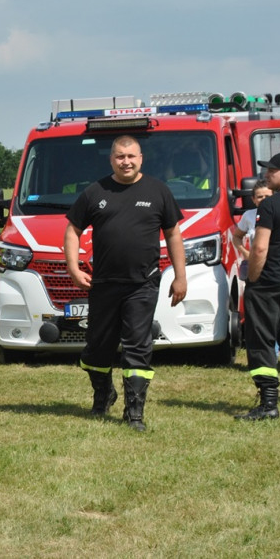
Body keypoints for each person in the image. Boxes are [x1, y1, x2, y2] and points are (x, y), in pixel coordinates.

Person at [64, 135, 186, 431]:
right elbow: (72, 230)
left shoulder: (158, 191)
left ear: (141, 158)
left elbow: (173, 235)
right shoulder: (95, 192)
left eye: (131, 156)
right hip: (103, 284)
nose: (126, 161)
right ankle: (103, 393)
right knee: (96, 348)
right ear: (112, 160)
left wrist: (181, 276)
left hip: (142, 286)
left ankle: (134, 412)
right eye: (120, 156)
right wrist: (72, 268)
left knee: (137, 347)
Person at [237, 153, 280, 420]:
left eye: (272, 171)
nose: (267, 176)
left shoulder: (270, 205)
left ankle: (268, 403)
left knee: (261, 340)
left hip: (271, 283)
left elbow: (259, 248)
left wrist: (253, 280)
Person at [231, 179, 272, 280]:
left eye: (267, 196)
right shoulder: (248, 215)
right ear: (253, 199)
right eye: (259, 197)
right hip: (256, 268)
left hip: (277, 268)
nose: (263, 199)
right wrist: (245, 253)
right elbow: (236, 237)